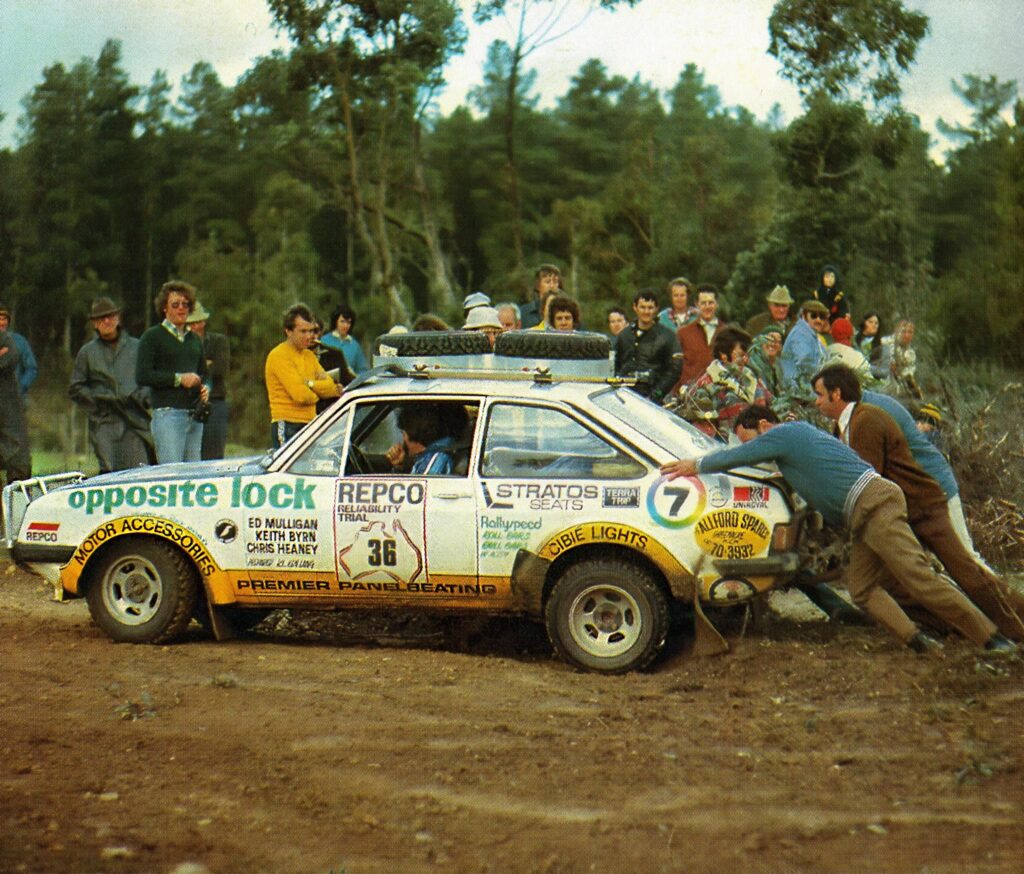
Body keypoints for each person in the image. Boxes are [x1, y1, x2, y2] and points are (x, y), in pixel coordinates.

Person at [660, 404, 1014, 655]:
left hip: (873, 506)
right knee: (861, 589)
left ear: (764, 426)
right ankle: (916, 640)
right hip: (864, 513)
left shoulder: (785, 433)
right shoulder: (797, 447)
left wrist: (697, 464)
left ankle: (991, 638)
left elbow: (736, 458)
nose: (749, 446)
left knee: (919, 578)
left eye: (748, 437)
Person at [812, 364, 1024, 642]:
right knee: (896, 581)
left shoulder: (867, 420)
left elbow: (866, 480)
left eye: (818, 394)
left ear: (836, 394)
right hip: (900, 511)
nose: (815, 401)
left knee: (966, 571)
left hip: (922, 507)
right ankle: (958, 628)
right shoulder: (845, 426)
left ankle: (1016, 626)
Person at [69, 297, 153, 473]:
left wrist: (141, 397)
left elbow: (149, 381)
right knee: (109, 474)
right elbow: (76, 388)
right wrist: (97, 401)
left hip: (135, 422)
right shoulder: (87, 352)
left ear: (118, 318)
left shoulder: (137, 347)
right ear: (94, 323)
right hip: (104, 422)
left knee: (140, 472)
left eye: (110, 316)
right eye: (101, 318)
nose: (107, 321)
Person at [136, 280, 209, 464]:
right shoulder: (152, 337)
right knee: (172, 471)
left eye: (185, 304)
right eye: (175, 305)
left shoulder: (194, 340)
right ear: (164, 309)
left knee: (195, 474)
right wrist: (178, 379)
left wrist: (205, 388)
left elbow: (203, 373)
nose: (181, 309)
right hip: (168, 415)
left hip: (194, 415)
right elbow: (143, 375)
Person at [265, 304, 342, 449]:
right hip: (288, 424)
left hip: (310, 424)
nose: (309, 336)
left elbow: (332, 387)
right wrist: (318, 393)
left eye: (311, 331)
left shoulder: (309, 356)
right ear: (288, 331)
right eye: (303, 331)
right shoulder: (279, 356)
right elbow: (301, 396)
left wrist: (310, 384)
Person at [683, 327, 772, 438]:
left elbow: (773, 404)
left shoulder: (751, 377)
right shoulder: (707, 384)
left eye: (747, 355)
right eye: (740, 355)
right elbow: (702, 431)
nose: (745, 360)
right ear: (723, 356)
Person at [613, 289, 680, 403]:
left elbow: (674, 370)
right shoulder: (624, 335)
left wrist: (656, 394)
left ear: (656, 309)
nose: (646, 312)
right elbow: (615, 364)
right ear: (635, 307)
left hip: (653, 397)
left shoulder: (667, 337)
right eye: (642, 307)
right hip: (624, 396)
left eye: (650, 308)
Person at [185, 301, 231, 461]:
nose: (194, 327)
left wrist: (193, 372)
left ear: (204, 322)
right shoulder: (181, 344)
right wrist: (206, 363)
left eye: (197, 322)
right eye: (190, 323)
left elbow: (220, 370)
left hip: (214, 402)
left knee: (213, 455)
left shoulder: (218, 341)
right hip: (187, 403)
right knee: (189, 456)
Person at [779, 299, 830, 400]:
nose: (818, 320)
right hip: (798, 394)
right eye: (814, 316)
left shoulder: (812, 335)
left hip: (809, 391)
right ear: (804, 315)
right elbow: (804, 362)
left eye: (822, 317)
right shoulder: (800, 334)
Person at [0, 319, 31, 484]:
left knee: (19, 465)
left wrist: (23, 387)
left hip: (10, 408)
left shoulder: (8, 340)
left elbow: (12, 355)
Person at [674, 284, 722, 388]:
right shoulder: (683, 333)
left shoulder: (726, 332)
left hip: (721, 393)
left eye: (711, 303)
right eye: (703, 303)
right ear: (697, 304)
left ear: (717, 304)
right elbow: (675, 368)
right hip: (691, 393)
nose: (707, 306)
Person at [385, 405, 455, 475]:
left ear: (413, 432)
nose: (403, 440)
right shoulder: (428, 457)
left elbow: (422, 485)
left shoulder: (436, 459)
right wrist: (399, 467)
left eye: (404, 434)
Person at [0, 302, 38, 399]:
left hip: (14, 399)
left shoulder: (19, 341)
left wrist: (20, 387)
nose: (2, 323)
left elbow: (31, 368)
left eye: (4, 319)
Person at [320, 304, 369, 375]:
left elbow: (362, 370)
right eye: (342, 321)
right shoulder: (324, 341)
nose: (345, 325)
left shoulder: (355, 345)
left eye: (348, 322)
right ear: (335, 321)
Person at [879, 319, 922, 398]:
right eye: (903, 331)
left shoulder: (911, 354)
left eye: (910, 332)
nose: (906, 335)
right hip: (879, 385)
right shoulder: (883, 342)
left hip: (895, 393)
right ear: (896, 331)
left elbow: (908, 374)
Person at [746, 328, 784, 398]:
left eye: (777, 341)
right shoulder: (753, 364)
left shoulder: (780, 365)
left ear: (781, 347)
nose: (772, 344)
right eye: (769, 340)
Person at [520, 264, 562, 329]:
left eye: (555, 281)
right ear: (538, 285)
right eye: (547, 282)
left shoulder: (567, 311)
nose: (552, 285)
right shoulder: (524, 312)